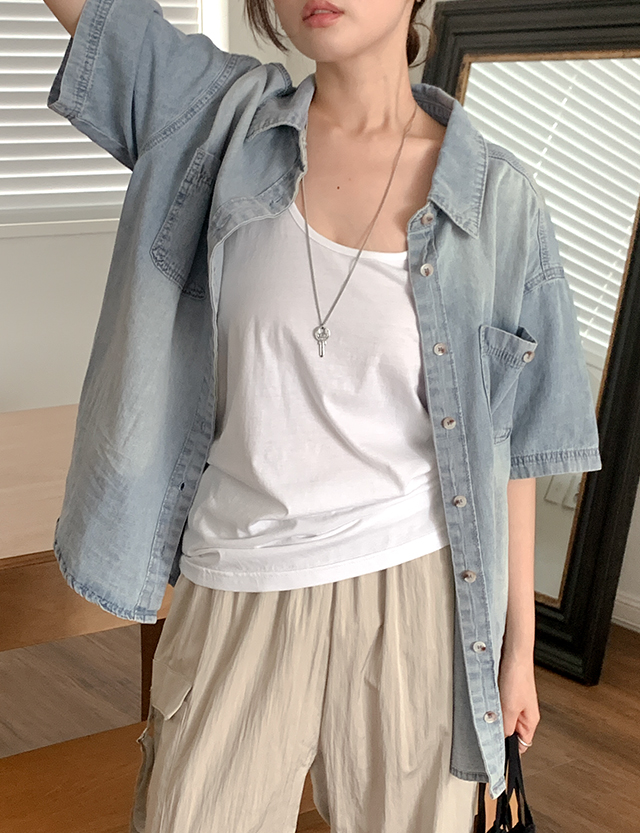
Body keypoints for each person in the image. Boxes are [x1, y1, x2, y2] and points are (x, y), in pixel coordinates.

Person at [43, 0, 602, 831]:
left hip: (416, 592)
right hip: (239, 578)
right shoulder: (217, 122)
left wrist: (517, 651)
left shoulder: (497, 198)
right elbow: (95, 15)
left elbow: (514, 443)